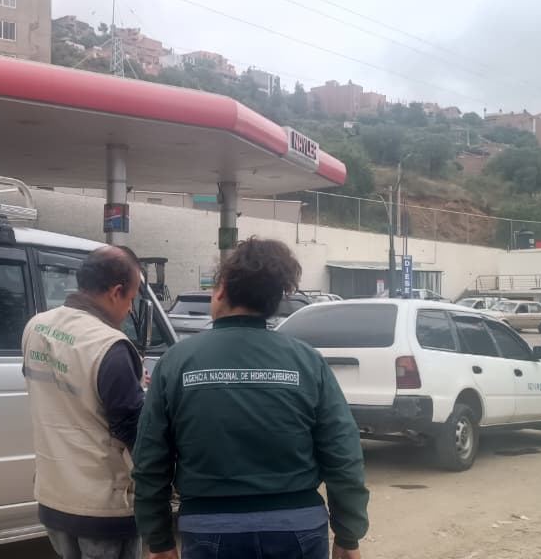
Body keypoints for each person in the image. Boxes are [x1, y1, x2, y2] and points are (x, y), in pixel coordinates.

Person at [132, 238, 370, 559]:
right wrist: (348, 533)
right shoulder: (307, 361)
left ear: (221, 289)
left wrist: (159, 540)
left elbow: (150, 460)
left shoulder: (176, 363)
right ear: (274, 299)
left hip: (209, 528)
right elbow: (343, 453)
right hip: (297, 527)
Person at [23, 246, 147, 559]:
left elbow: (66, 389)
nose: (129, 309)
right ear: (116, 292)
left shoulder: (36, 326)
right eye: (132, 299)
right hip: (103, 508)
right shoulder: (110, 346)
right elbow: (134, 430)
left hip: (53, 497)